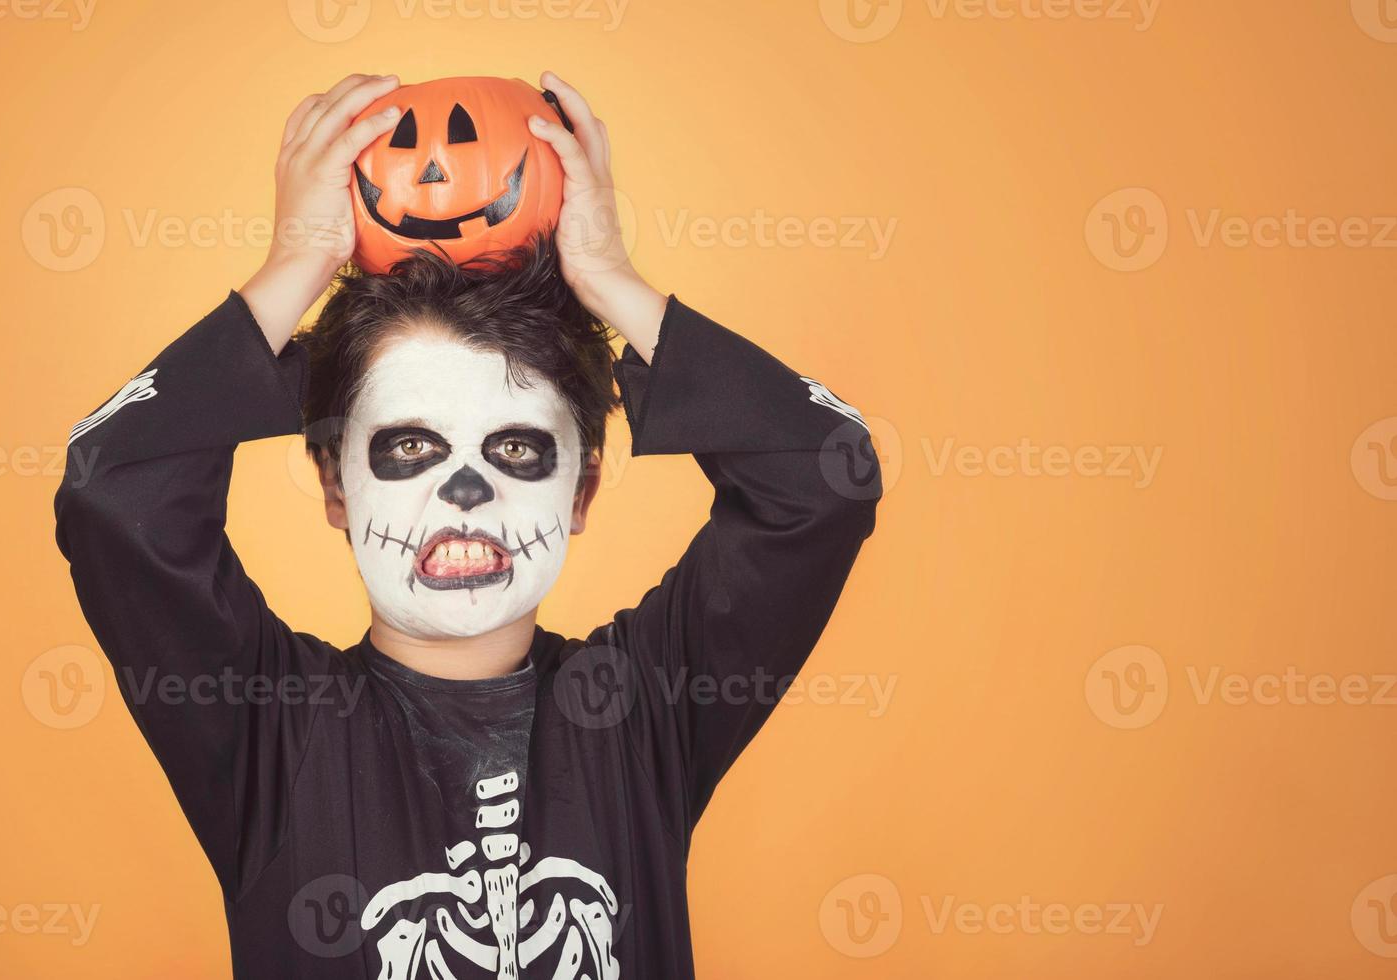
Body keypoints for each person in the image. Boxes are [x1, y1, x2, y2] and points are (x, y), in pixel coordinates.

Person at [54, 71, 881, 979]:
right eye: (408, 446)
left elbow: (827, 476)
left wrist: (609, 279)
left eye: (519, 451)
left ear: (582, 488)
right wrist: (294, 268)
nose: (465, 492)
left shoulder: (645, 710)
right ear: (335, 482)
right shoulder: (266, 730)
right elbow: (111, 489)